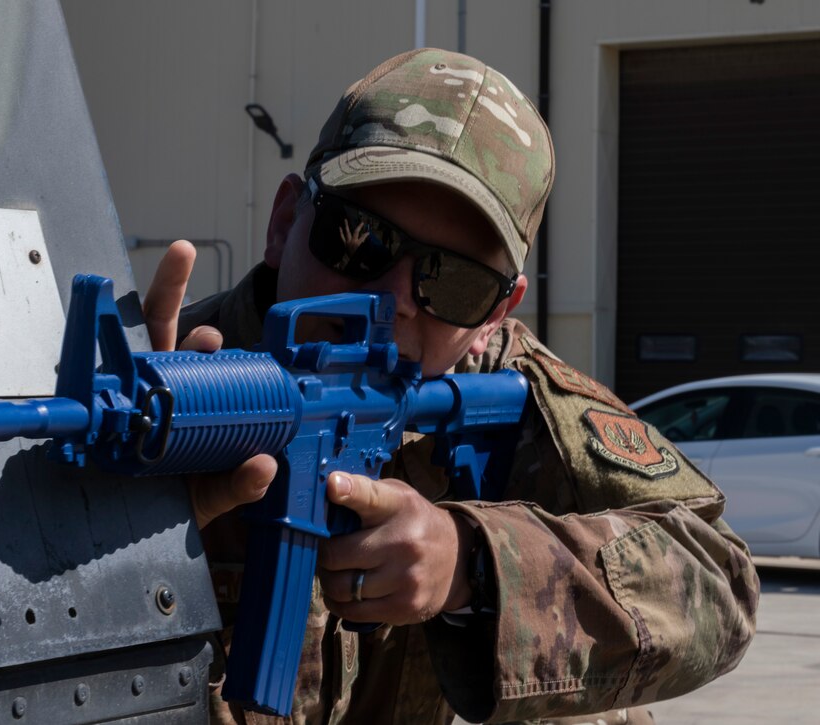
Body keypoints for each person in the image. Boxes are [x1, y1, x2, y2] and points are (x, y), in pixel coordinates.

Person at [142, 48, 758, 724]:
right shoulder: (158, 371)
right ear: (285, 221)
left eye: (454, 282)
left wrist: (471, 564)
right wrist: (119, 504)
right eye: (360, 239)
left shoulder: (503, 389)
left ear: (498, 309)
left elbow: (719, 578)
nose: (395, 298)